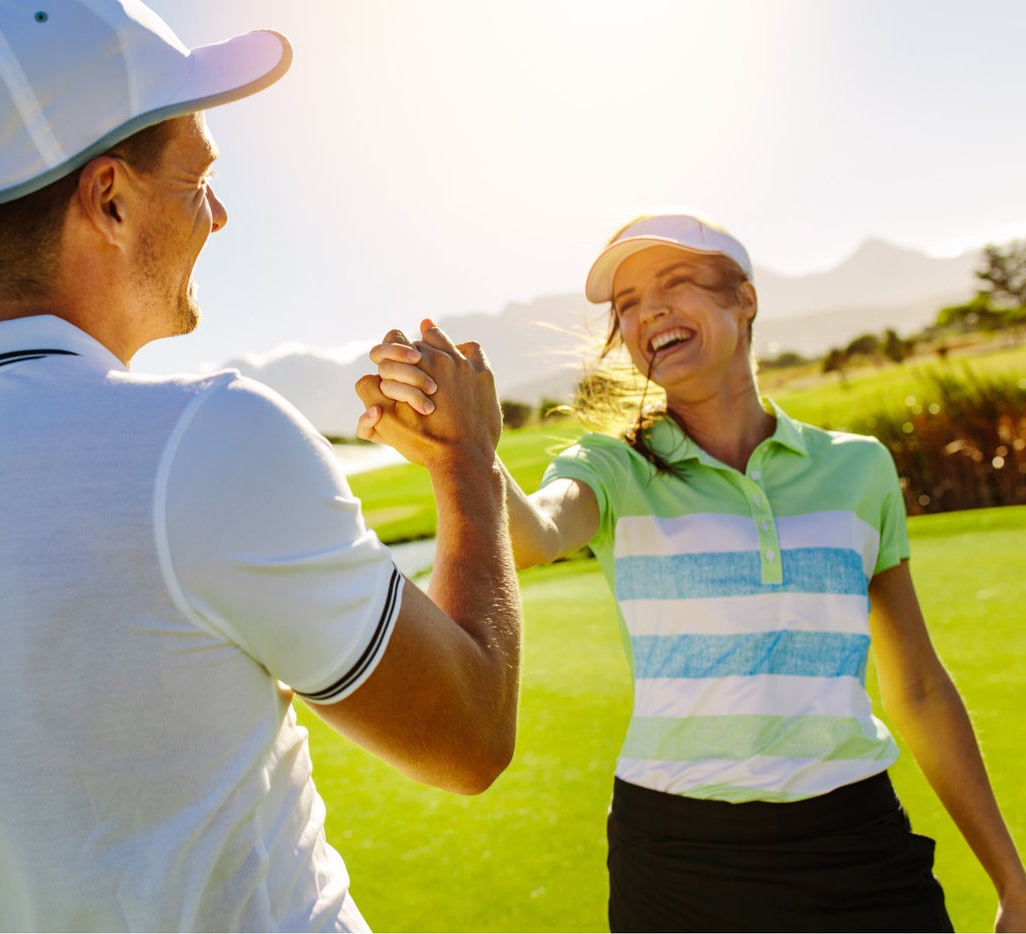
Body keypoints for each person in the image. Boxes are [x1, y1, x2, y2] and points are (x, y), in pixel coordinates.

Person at [0, 2, 521, 931]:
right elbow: (469, 737)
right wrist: (468, 465)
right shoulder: (210, 436)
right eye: (198, 178)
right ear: (109, 198)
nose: (221, 213)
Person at [360, 214, 1026, 932]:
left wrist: (1012, 883)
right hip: (678, 857)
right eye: (627, 305)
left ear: (744, 300)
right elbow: (534, 533)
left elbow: (919, 686)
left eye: (675, 285)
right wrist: (462, 451)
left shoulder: (858, 466)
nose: (648, 313)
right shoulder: (612, 465)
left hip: (857, 838)